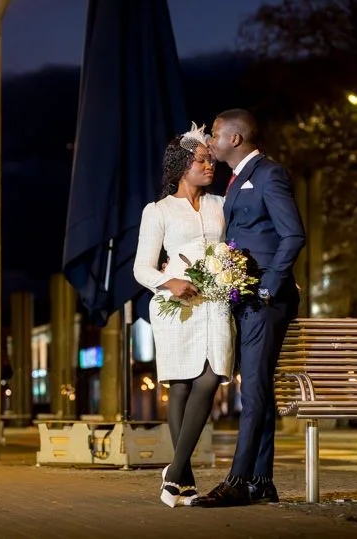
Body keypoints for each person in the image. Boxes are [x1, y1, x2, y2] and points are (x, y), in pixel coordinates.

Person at [193, 108, 306, 508]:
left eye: (217, 135)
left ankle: (239, 480)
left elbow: (293, 235)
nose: (212, 140)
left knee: (255, 390)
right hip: (248, 296)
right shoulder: (239, 179)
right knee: (256, 388)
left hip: (264, 300)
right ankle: (261, 481)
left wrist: (269, 288)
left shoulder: (268, 174)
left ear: (236, 139)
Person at [133, 123, 235, 508]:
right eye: (202, 161)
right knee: (180, 384)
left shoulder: (220, 205)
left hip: (217, 301)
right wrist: (168, 281)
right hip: (176, 307)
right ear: (181, 166)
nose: (210, 167)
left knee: (210, 379)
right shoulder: (158, 211)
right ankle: (184, 481)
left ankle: (173, 470)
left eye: (210, 161)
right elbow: (141, 268)